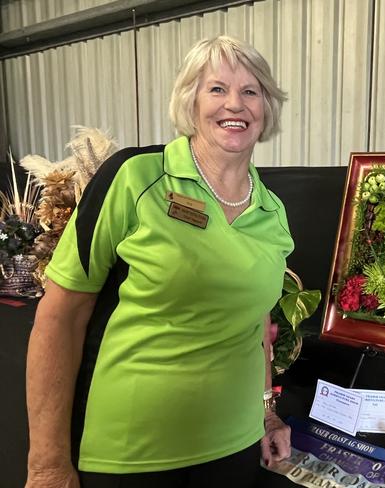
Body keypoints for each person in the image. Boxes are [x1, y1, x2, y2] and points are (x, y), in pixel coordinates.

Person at [25, 35, 294, 488]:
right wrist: (48, 465)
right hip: (129, 456)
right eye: (217, 89)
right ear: (191, 102)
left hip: (234, 449)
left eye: (251, 91)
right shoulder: (135, 177)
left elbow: (256, 326)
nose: (236, 103)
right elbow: (60, 317)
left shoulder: (272, 210)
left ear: (266, 108)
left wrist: (266, 413)